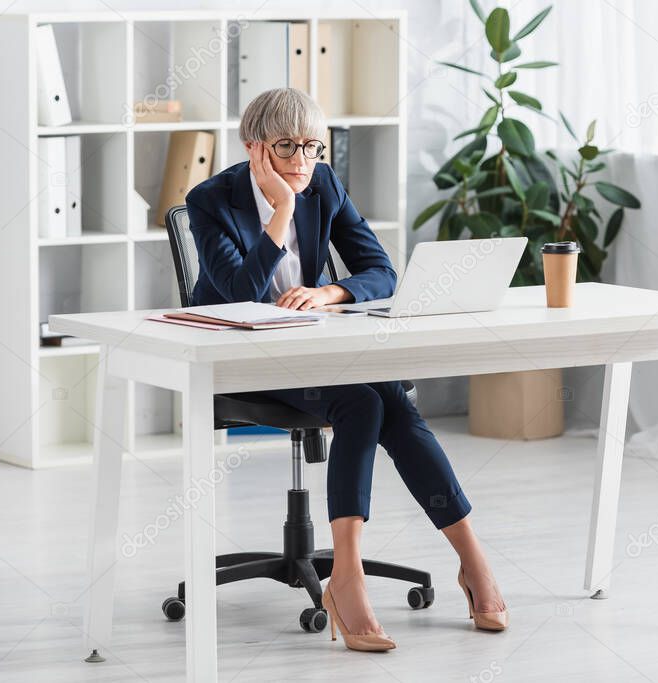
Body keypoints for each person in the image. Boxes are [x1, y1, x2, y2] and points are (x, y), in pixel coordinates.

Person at [185, 88, 507, 651]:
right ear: (254, 146)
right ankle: (348, 577)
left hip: (315, 346)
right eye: (287, 147)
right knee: (362, 403)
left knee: (389, 399)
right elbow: (242, 292)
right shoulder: (210, 199)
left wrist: (331, 291)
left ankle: (470, 557)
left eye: (313, 147)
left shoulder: (325, 184)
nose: (303, 162)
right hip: (242, 358)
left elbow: (381, 270)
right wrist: (280, 210)